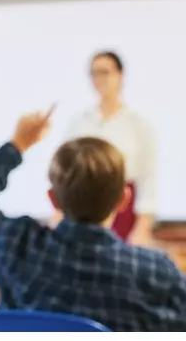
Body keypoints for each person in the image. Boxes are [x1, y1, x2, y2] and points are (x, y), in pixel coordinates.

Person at [0, 110, 186, 331]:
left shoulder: (16, 243)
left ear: (53, 198)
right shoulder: (150, 271)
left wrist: (19, 143)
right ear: (124, 199)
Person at [63, 51, 156, 246]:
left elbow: (149, 178)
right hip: (85, 207)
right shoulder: (80, 123)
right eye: (94, 73)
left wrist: (142, 226)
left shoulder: (138, 124)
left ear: (120, 76)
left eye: (105, 72)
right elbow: (65, 170)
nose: (99, 79)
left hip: (124, 208)